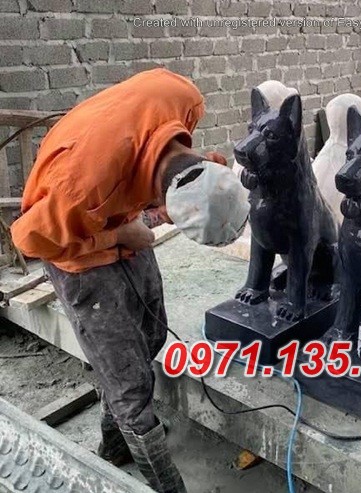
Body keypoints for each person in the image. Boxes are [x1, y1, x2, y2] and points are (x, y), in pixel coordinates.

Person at [10, 68, 248, 493]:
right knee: (130, 384)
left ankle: (115, 441)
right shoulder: (78, 191)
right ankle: (161, 477)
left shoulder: (184, 98)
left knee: (152, 334)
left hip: (118, 206)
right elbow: (29, 241)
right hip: (74, 250)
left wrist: (138, 221)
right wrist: (118, 235)